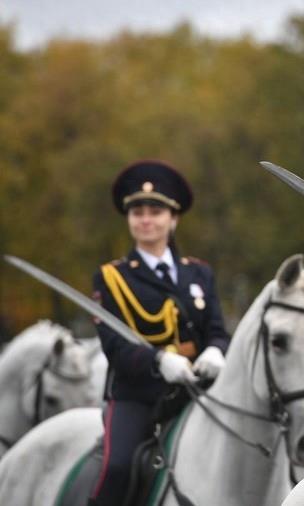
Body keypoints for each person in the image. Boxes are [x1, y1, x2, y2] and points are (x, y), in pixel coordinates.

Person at [89, 160, 230, 506]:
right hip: (138, 396)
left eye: (155, 211)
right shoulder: (112, 278)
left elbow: (217, 330)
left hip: (197, 392)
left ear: (173, 218)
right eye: (137, 212)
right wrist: (158, 361)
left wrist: (216, 351)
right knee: (118, 468)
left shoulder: (199, 274)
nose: (146, 220)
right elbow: (115, 347)